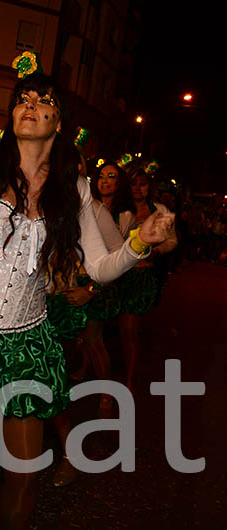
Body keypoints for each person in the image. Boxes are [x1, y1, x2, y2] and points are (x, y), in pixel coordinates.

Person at [0, 63, 175, 529]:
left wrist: (140, 244)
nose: (28, 106)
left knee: (25, 473)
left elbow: (98, 267)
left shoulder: (73, 191)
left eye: (42, 101)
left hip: (24, 342)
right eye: (22, 99)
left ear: (60, 122)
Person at [115, 165, 178, 394]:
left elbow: (172, 241)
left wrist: (157, 250)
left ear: (149, 186)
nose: (138, 189)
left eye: (142, 184)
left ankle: (129, 379)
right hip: (115, 274)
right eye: (133, 184)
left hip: (141, 276)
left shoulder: (159, 210)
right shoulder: (118, 208)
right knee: (98, 327)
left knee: (130, 330)